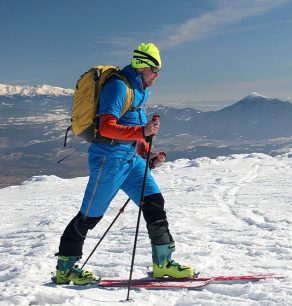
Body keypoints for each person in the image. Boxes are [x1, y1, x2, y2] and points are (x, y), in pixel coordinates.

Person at [54, 43, 195, 285]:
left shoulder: (141, 89)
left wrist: (146, 153)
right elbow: (106, 125)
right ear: (142, 67)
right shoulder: (119, 86)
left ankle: (163, 264)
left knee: (154, 203)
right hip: (108, 160)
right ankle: (65, 268)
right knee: (89, 217)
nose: (157, 76)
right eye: (155, 70)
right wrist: (142, 130)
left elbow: (131, 127)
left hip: (131, 159)